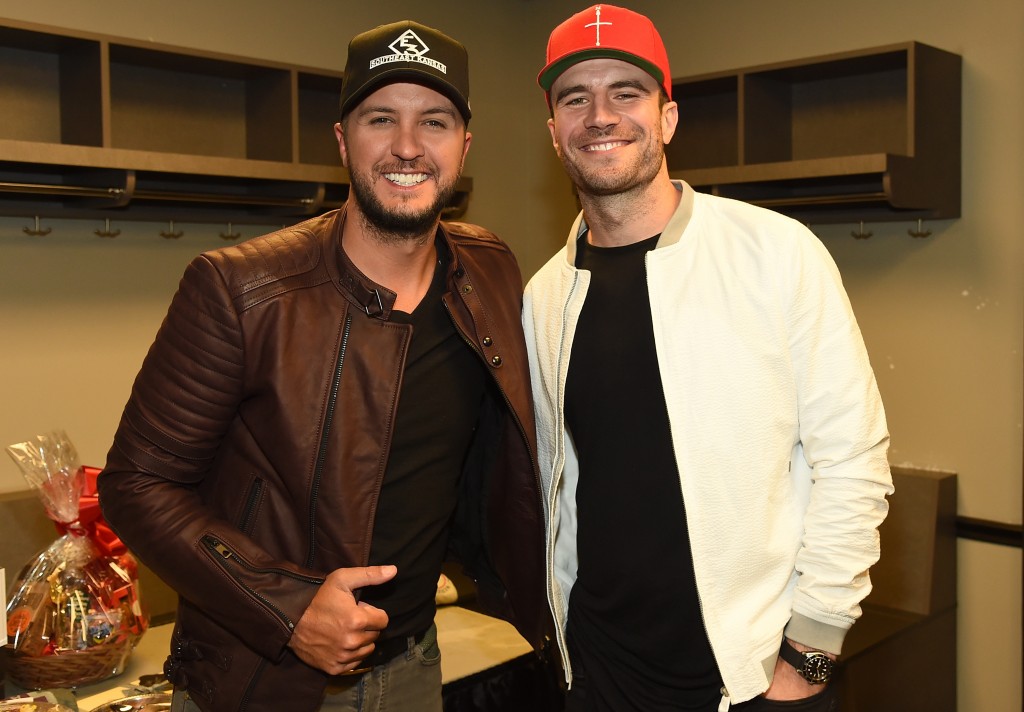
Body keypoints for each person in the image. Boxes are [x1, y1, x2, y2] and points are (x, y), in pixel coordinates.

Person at [97, 19, 550, 712]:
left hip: (413, 664)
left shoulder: (488, 267)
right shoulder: (241, 289)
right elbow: (136, 484)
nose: (407, 146)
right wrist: (287, 607)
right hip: (263, 679)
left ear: (464, 143)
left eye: (433, 121)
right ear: (343, 140)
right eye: (380, 119)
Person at [522, 5, 894, 712]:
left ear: (666, 118)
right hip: (598, 673)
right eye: (576, 98)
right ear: (554, 132)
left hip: (750, 678)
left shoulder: (776, 253)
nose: (600, 115)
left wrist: (810, 655)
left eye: (626, 92)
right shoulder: (545, 295)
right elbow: (559, 486)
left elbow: (853, 460)